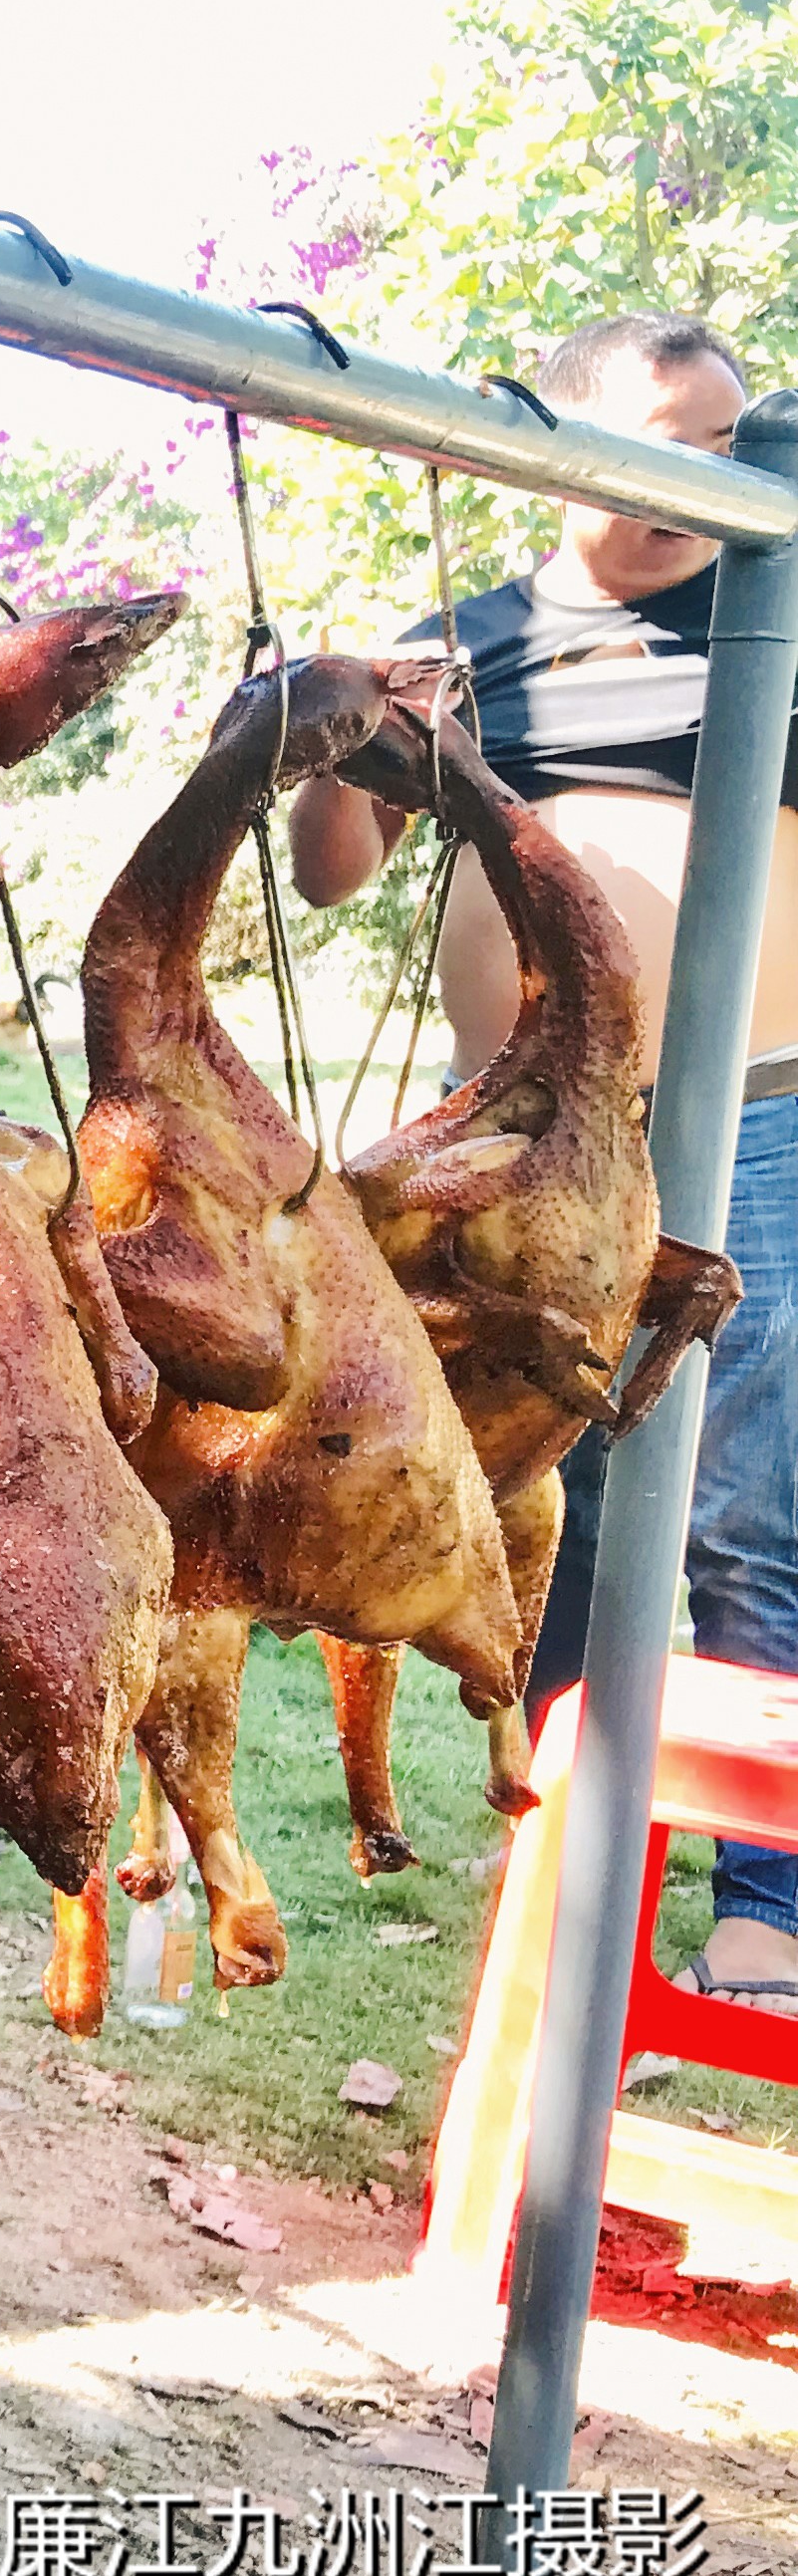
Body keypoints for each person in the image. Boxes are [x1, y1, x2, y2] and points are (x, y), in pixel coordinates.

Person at [288, 312, 798, 2005]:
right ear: (559, 441)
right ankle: (572, 1833)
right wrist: (321, 726)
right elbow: (330, 869)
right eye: (666, 440)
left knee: (742, 1497)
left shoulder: (773, 601)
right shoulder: (473, 639)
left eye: (726, 446)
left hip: (758, 1111)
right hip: (518, 1131)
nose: (700, 480)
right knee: (544, 1477)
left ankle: (764, 1891)